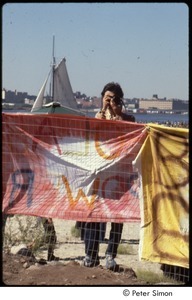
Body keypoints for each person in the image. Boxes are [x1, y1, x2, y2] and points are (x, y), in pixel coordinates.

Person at [83, 82, 135, 270]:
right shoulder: (96, 117)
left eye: (114, 99)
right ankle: (91, 254)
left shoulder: (128, 118)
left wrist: (118, 115)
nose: (110, 102)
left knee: (117, 218)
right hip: (99, 174)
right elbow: (90, 135)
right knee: (94, 215)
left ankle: (111, 254)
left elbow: (131, 133)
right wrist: (102, 115)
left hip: (119, 175)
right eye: (107, 98)